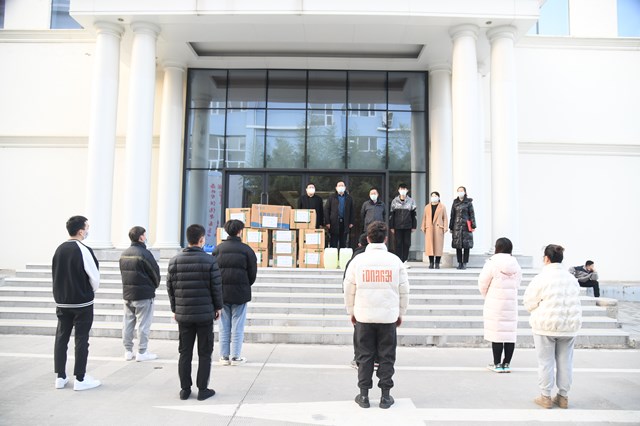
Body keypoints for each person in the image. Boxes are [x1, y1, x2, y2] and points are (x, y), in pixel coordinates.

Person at [343, 221, 410, 410]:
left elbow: (349, 289)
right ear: (386, 239)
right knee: (387, 356)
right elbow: (404, 291)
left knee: (364, 356)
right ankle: (385, 396)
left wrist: (351, 311)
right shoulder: (395, 261)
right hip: (388, 316)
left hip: (364, 316)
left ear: (368, 238)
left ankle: (364, 395)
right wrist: (401, 313)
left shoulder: (358, 261)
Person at [166, 224, 223, 401]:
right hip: (205, 314)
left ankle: (185, 389)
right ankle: (203, 389)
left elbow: (170, 288)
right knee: (205, 353)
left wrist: (175, 309)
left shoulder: (174, 261)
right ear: (201, 239)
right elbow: (216, 288)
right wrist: (218, 307)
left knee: (185, 353)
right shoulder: (210, 261)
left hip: (183, 314)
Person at [523, 244, 582, 409]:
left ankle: (546, 396)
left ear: (546, 258)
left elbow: (529, 302)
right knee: (566, 362)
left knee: (545, 362)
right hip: (569, 326)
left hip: (545, 326)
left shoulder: (541, 278)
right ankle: (563, 397)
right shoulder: (571, 278)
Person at [52, 215, 101, 391]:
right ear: (81, 231)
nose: (87, 231)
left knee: (61, 338)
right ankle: (80, 378)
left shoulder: (59, 249)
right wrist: (89, 292)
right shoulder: (83, 250)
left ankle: (60, 376)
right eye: (87, 228)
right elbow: (94, 277)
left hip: (63, 302)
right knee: (81, 339)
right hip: (82, 303)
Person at [212, 219, 257, 366]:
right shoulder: (247, 250)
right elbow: (252, 274)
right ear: (240, 232)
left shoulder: (218, 249)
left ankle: (224, 356)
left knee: (223, 326)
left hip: (222, 293)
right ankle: (236, 357)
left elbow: (213, 272)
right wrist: (245, 284)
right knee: (238, 325)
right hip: (240, 292)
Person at [478, 237, 522, 373]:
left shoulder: (492, 263)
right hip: (511, 303)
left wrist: (487, 295)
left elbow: (483, 283)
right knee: (509, 333)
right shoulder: (515, 263)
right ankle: (506, 363)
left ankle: (497, 364)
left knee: (497, 333)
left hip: (495, 302)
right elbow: (518, 283)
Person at [119, 226, 161, 362]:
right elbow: (155, 273)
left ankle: (128, 351)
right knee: (143, 324)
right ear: (141, 237)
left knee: (128, 323)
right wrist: (154, 286)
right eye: (145, 235)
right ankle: (142, 351)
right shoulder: (145, 254)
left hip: (128, 294)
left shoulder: (124, 254)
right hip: (144, 294)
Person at [389, 183, 417, 264]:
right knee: (398, 243)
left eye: (404, 189)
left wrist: (414, 226)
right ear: (398, 190)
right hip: (397, 226)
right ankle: (398, 260)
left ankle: (405, 260)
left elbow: (414, 214)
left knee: (407, 243)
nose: (403, 191)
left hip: (408, 226)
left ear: (407, 190)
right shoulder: (394, 201)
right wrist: (391, 226)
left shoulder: (411, 201)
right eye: (401, 189)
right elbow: (391, 215)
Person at [449, 186, 476, 270]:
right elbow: (452, 215)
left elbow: (472, 214)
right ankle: (459, 263)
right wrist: (451, 227)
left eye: (461, 190)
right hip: (456, 226)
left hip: (466, 225)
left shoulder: (468, 203)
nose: (460, 192)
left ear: (465, 192)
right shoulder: (455, 202)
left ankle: (465, 263)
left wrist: (473, 225)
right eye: (459, 191)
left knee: (466, 245)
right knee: (458, 245)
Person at [421, 191, 448, 269]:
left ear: (438, 197)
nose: (434, 197)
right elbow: (424, 218)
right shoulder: (427, 207)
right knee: (430, 246)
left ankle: (437, 263)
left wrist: (445, 227)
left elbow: (445, 218)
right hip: (429, 228)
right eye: (432, 196)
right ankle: (431, 263)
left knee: (438, 246)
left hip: (438, 228)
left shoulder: (442, 207)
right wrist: (423, 227)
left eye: (435, 196)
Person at [325, 181, 355, 249]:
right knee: (333, 243)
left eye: (342, 186)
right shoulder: (332, 197)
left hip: (345, 223)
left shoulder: (349, 198)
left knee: (343, 244)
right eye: (339, 186)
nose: (341, 187)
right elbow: (327, 210)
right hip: (334, 223)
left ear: (345, 187)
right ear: (336, 188)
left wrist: (351, 222)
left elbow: (352, 210)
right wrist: (327, 222)